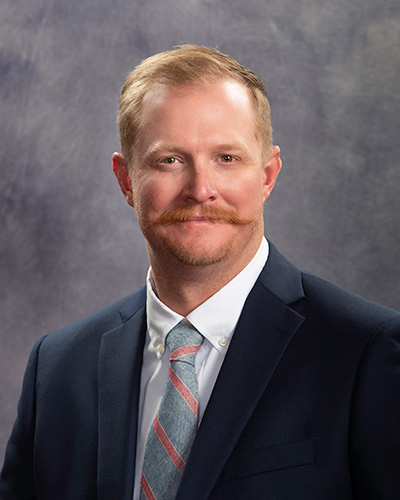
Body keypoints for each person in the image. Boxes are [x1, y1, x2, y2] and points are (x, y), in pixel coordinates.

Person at [1, 44, 400, 500]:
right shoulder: (57, 369)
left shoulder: (365, 351)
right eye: (169, 159)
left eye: (226, 158)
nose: (200, 190)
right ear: (126, 179)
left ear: (267, 175)